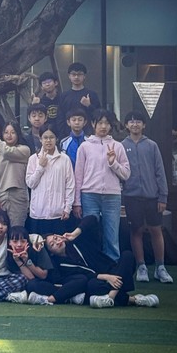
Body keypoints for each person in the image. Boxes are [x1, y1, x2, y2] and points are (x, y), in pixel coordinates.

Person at [44, 216, 159, 308]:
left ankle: (111, 297)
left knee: (127, 255)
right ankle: (134, 299)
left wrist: (74, 234)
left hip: (114, 271)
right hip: (99, 280)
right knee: (92, 286)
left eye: (56, 238)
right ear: (51, 253)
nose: (57, 242)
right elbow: (85, 275)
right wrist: (107, 277)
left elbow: (92, 219)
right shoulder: (60, 265)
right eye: (52, 244)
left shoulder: (79, 241)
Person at [122, 111, 173, 283]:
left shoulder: (152, 145)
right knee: (136, 230)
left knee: (155, 230)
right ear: (126, 125)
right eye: (131, 121)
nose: (135, 124)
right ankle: (141, 266)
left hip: (152, 197)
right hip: (131, 196)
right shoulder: (121, 146)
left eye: (138, 121)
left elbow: (160, 172)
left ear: (144, 125)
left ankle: (160, 267)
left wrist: (163, 197)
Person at [73, 109, 130, 263]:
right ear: (93, 124)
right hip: (89, 195)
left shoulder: (117, 146)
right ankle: (93, 265)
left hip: (112, 196)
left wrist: (113, 163)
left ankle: (113, 265)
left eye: (107, 123)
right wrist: (77, 202)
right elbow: (78, 176)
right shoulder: (84, 146)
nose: (103, 126)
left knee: (112, 234)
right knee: (90, 232)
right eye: (100, 123)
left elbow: (126, 174)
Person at [25, 126, 75, 236]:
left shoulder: (64, 159)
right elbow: (30, 183)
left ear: (56, 139)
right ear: (40, 139)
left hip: (58, 213)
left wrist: (67, 208)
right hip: (38, 213)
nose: (48, 140)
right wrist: (40, 167)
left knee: (58, 244)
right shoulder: (33, 159)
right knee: (39, 244)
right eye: (45, 137)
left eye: (51, 137)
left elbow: (70, 185)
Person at [0, 116, 30, 226]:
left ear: (18, 134)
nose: (9, 135)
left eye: (13, 132)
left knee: (16, 231)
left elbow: (7, 152)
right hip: (0, 195)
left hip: (18, 196)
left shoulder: (24, 150)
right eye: (6, 132)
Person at [58, 63, 101, 133]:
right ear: (69, 76)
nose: (76, 77)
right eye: (73, 74)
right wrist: (62, 134)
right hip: (68, 134)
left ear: (84, 76)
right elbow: (60, 117)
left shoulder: (92, 94)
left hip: (88, 134)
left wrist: (89, 106)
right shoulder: (64, 96)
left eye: (79, 74)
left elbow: (99, 115)